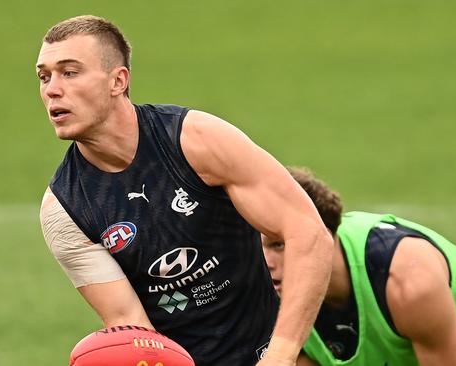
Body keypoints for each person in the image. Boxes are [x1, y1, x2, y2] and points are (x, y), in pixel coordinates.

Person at [36, 15, 334, 366]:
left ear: (118, 81)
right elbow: (131, 327)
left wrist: (280, 355)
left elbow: (308, 233)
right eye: (44, 76)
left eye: (70, 72)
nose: (52, 88)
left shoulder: (196, 141)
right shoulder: (65, 210)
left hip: (277, 348)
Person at [262, 167, 456, 366]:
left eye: (279, 245)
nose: (266, 262)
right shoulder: (262, 292)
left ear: (324, 238)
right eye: (258, 246)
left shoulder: (408, 281)